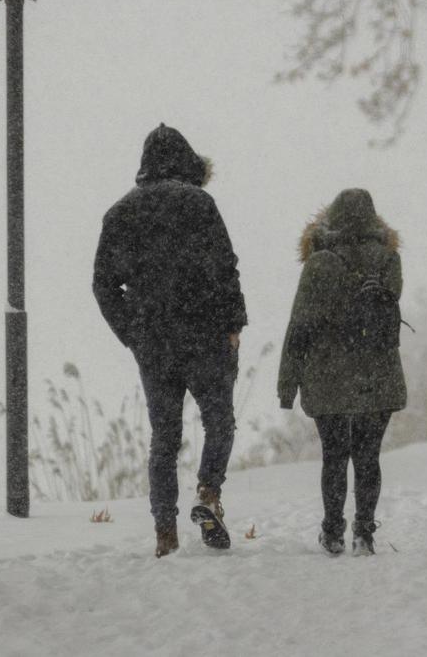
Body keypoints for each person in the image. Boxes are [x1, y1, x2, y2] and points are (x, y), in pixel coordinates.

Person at [93, 124, 247, 557]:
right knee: (219, 421)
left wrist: (133, 334)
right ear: (186, 162)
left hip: (155, 342)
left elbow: (103, 285)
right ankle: (208, 492)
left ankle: (165, 533)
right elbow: (225, 268)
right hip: (205, 333)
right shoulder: (198, 203)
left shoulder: (120, 213)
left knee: (164, 437)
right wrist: (233, 324)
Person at [278, 188, 406, 556]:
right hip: (376, 374)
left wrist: (287, 383)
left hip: (327, 374)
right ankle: (365, 532)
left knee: (334, 455)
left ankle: (332, 531)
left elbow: (299, 325)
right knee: (368, 456)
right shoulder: (388, 259)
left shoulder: (319, 263)